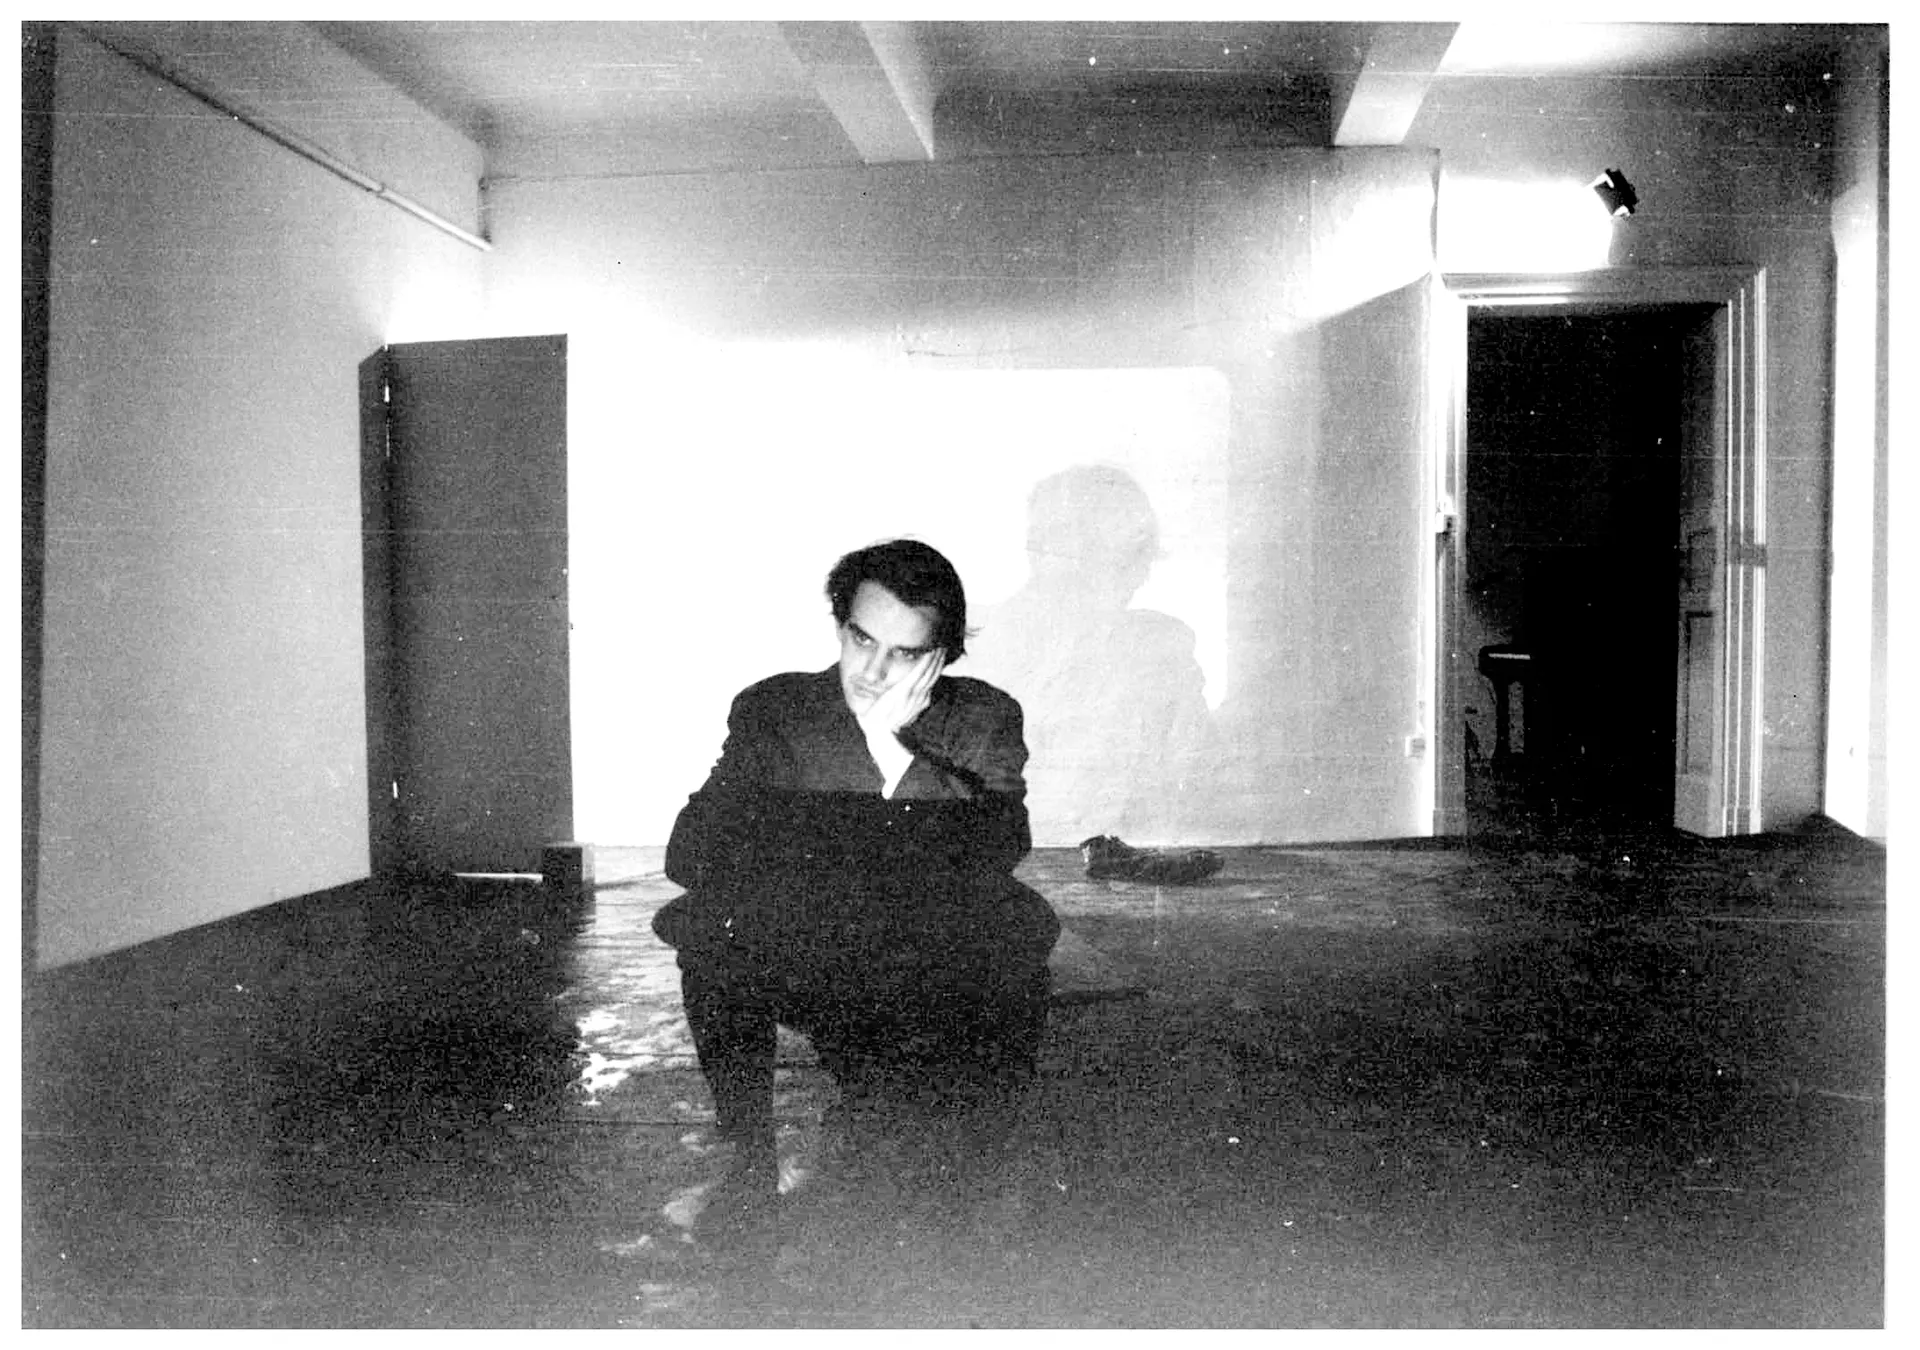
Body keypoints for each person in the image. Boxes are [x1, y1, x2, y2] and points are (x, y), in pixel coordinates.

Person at [652, 538, 1060, 1241]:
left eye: (905, 653)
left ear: (941, 656)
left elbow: (999, 849)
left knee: (1013, 942)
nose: (872, 671)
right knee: (708, 933)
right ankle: (747, 1152)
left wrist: (893, 751)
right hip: (809, 951)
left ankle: (981, 1159)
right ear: (840, 626)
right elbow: (691, 852)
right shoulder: (777, 709)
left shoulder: (981, 717)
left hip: (925, 960)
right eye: (861, 639)